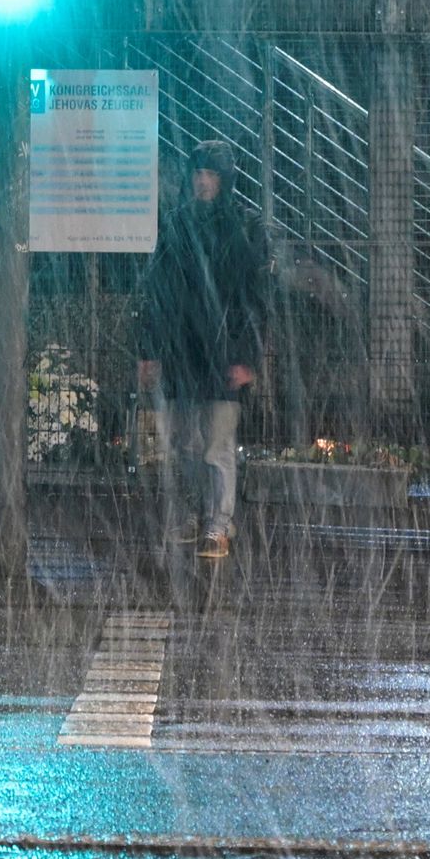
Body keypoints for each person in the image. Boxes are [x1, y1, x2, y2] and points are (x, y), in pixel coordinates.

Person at [137, 142, 272, 562]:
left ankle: (218, 520)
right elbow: (157, 292)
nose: (202, 181)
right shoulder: (178, 225)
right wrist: (150, 349)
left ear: (225, 179)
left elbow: (257, 298)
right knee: (187, 443)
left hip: (221, 349)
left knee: (216, 442)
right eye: (198, 173)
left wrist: (247, 357)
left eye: (210, 174)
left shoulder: (246, 228)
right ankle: (203, 515)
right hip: (185, 349)